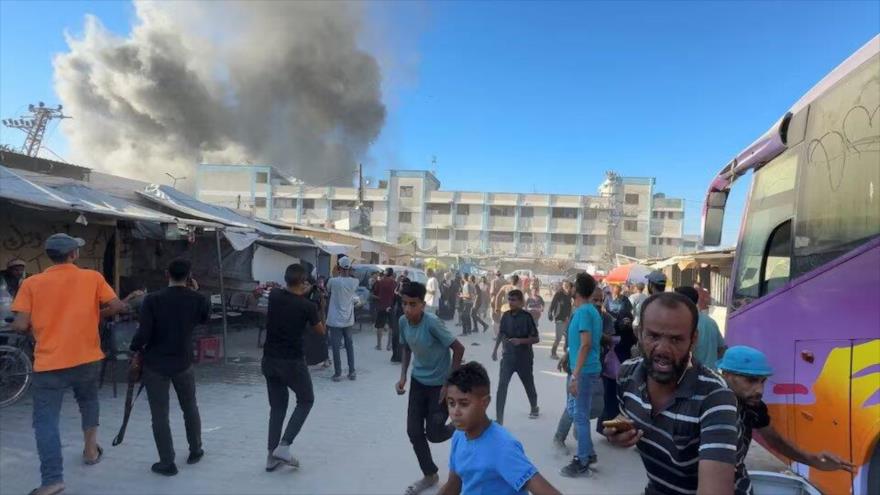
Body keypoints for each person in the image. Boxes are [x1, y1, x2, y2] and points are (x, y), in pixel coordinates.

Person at [10, 233, 134, 495]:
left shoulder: (31, 283)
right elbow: (118, 306)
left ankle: (52, 480)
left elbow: (20, 324)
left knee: (46, 421)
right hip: (88, 359)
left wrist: (35, 325)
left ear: (49, 256)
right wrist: (97, 314)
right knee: (88, 402)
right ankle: (90, 450)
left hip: (49, 363)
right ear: (74, 255)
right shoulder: (92, 277)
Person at [603, 292, 741, 495]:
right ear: (639, 333)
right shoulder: (627, 376)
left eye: (676, 339)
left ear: (693, 340)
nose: (663, 349)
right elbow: (628, 421)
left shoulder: (716, 398)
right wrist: (617, 434)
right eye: (654, 336)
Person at [716, 346, 855, 495]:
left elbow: (776, 441)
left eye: (763, 381)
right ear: (726, 375)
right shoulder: (709, 403)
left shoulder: (754, 407)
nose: (759, 390)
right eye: (751, 380)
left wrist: (814, 460)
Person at [129, 258, 209, 476]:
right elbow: (203, 320)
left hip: (156, 363)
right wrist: (195, 292)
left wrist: (134, 348)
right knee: (190, 407)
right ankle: (196, 450)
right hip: (183, 361)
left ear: (167, 274)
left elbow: (143, 333)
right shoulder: (199, 299)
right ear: (190, 276)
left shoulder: (152, 300)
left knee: (159, 414)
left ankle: (167, 461)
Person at [438, 361, 562, 495]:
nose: (455, 412)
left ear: (485, 402)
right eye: (451, 403)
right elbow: (454, 483)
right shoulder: (459, 435)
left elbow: (544, 489)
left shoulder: (502, 447)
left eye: (464, 404)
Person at [395, 281, 465, 495]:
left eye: (413, 304)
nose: (408, 309)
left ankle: (460, 426)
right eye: (405, 304)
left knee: (434, 434)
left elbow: (459, 349)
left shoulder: (432, 323)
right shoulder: (403, 322)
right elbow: (406, 348)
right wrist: (403, 376)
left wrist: (448, 383)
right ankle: (430, 474)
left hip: (439, 387)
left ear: (423, 304)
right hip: (418, 383)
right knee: (414, 432)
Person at [260, 264, 325, 472]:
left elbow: (289, 295)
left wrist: (302, 294)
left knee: (277, 407)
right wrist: (316, 303)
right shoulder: (307, 307)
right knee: (306, 400)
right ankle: (285, 446)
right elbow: (320, 331)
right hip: (293, 362)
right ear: (304, 281)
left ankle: (271, 456)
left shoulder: (275, 296)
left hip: (270, 359)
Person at [559, 273, 603, 477]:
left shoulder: (585, 312)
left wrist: (575, 375)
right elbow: (579, 344)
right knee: (577, 411)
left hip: (584, 371)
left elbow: (586, 344)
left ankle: (582, 460)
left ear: (577, 289)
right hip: (584, 368)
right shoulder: (588, 310)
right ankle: (589, 453)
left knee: (580, 416)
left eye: (574, 285)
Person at [491, 289, 540, 424]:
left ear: (521, 302)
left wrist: (521, 341)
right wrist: (495, 350)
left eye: (514, 300)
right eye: (509, 299)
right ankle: (499, 419)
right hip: (508, 357)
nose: (511, 302)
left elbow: (536, 339)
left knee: (528, 383)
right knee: (502, 386)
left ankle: (534, 407)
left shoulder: (527, 317)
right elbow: (501, 333)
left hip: (524, 358)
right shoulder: (505, 316)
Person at [675, 286, 726, 369]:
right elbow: (722, 349)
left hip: (693, 376)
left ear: (683, 302)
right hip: (711, 374)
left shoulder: (684, 323)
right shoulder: (711, 322)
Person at [326, 256, 359, 382]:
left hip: (335, 320)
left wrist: (334, 273)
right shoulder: (354, 282)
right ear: (349, 268)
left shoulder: (333, 281)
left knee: (335, 347)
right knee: (349, 345)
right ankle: (352, 371)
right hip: (348, 319)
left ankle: (338, 373)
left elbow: (328, 290)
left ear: (338, 268)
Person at [372, 267, 397, 351]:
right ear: (392, 274)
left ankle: (379, 345)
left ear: (385, 273)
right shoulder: (394, 283)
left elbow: (374, 293)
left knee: (380, 326)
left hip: (381, 306)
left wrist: (379, 297)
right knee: (391, 327)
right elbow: (396, 296)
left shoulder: (379, 282)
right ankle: (389, 345)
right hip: (391, 307)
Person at [548, 281, 573, 359]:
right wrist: (550, 313)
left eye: (567, 285)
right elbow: (552, 304)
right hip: (559, 318)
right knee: (558, 338)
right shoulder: (559, 294)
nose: (566, 287)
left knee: (568, 336)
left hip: (568, 319)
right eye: (564, 285)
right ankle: (553, 353)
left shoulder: (570, 295)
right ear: (562, 286)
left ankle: (566, 351)